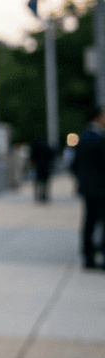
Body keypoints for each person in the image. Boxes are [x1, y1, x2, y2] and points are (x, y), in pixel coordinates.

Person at [70, 110, 105, 269]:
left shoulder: (82, 136)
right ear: (99, 117)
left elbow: (74, 165)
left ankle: (88, 257)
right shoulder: (100, 138)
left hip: (87, 188)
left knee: (89, 222)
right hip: (101, 188)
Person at [29, 139, 55, 205]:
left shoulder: (35, 147)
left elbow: (32, 157)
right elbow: (51, 156)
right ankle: (44, 195)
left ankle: (38, 196)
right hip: (46, 167)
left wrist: (33, 164)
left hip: (38, 166)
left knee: (37, 182)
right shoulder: (47, 147)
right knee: (45, 182)